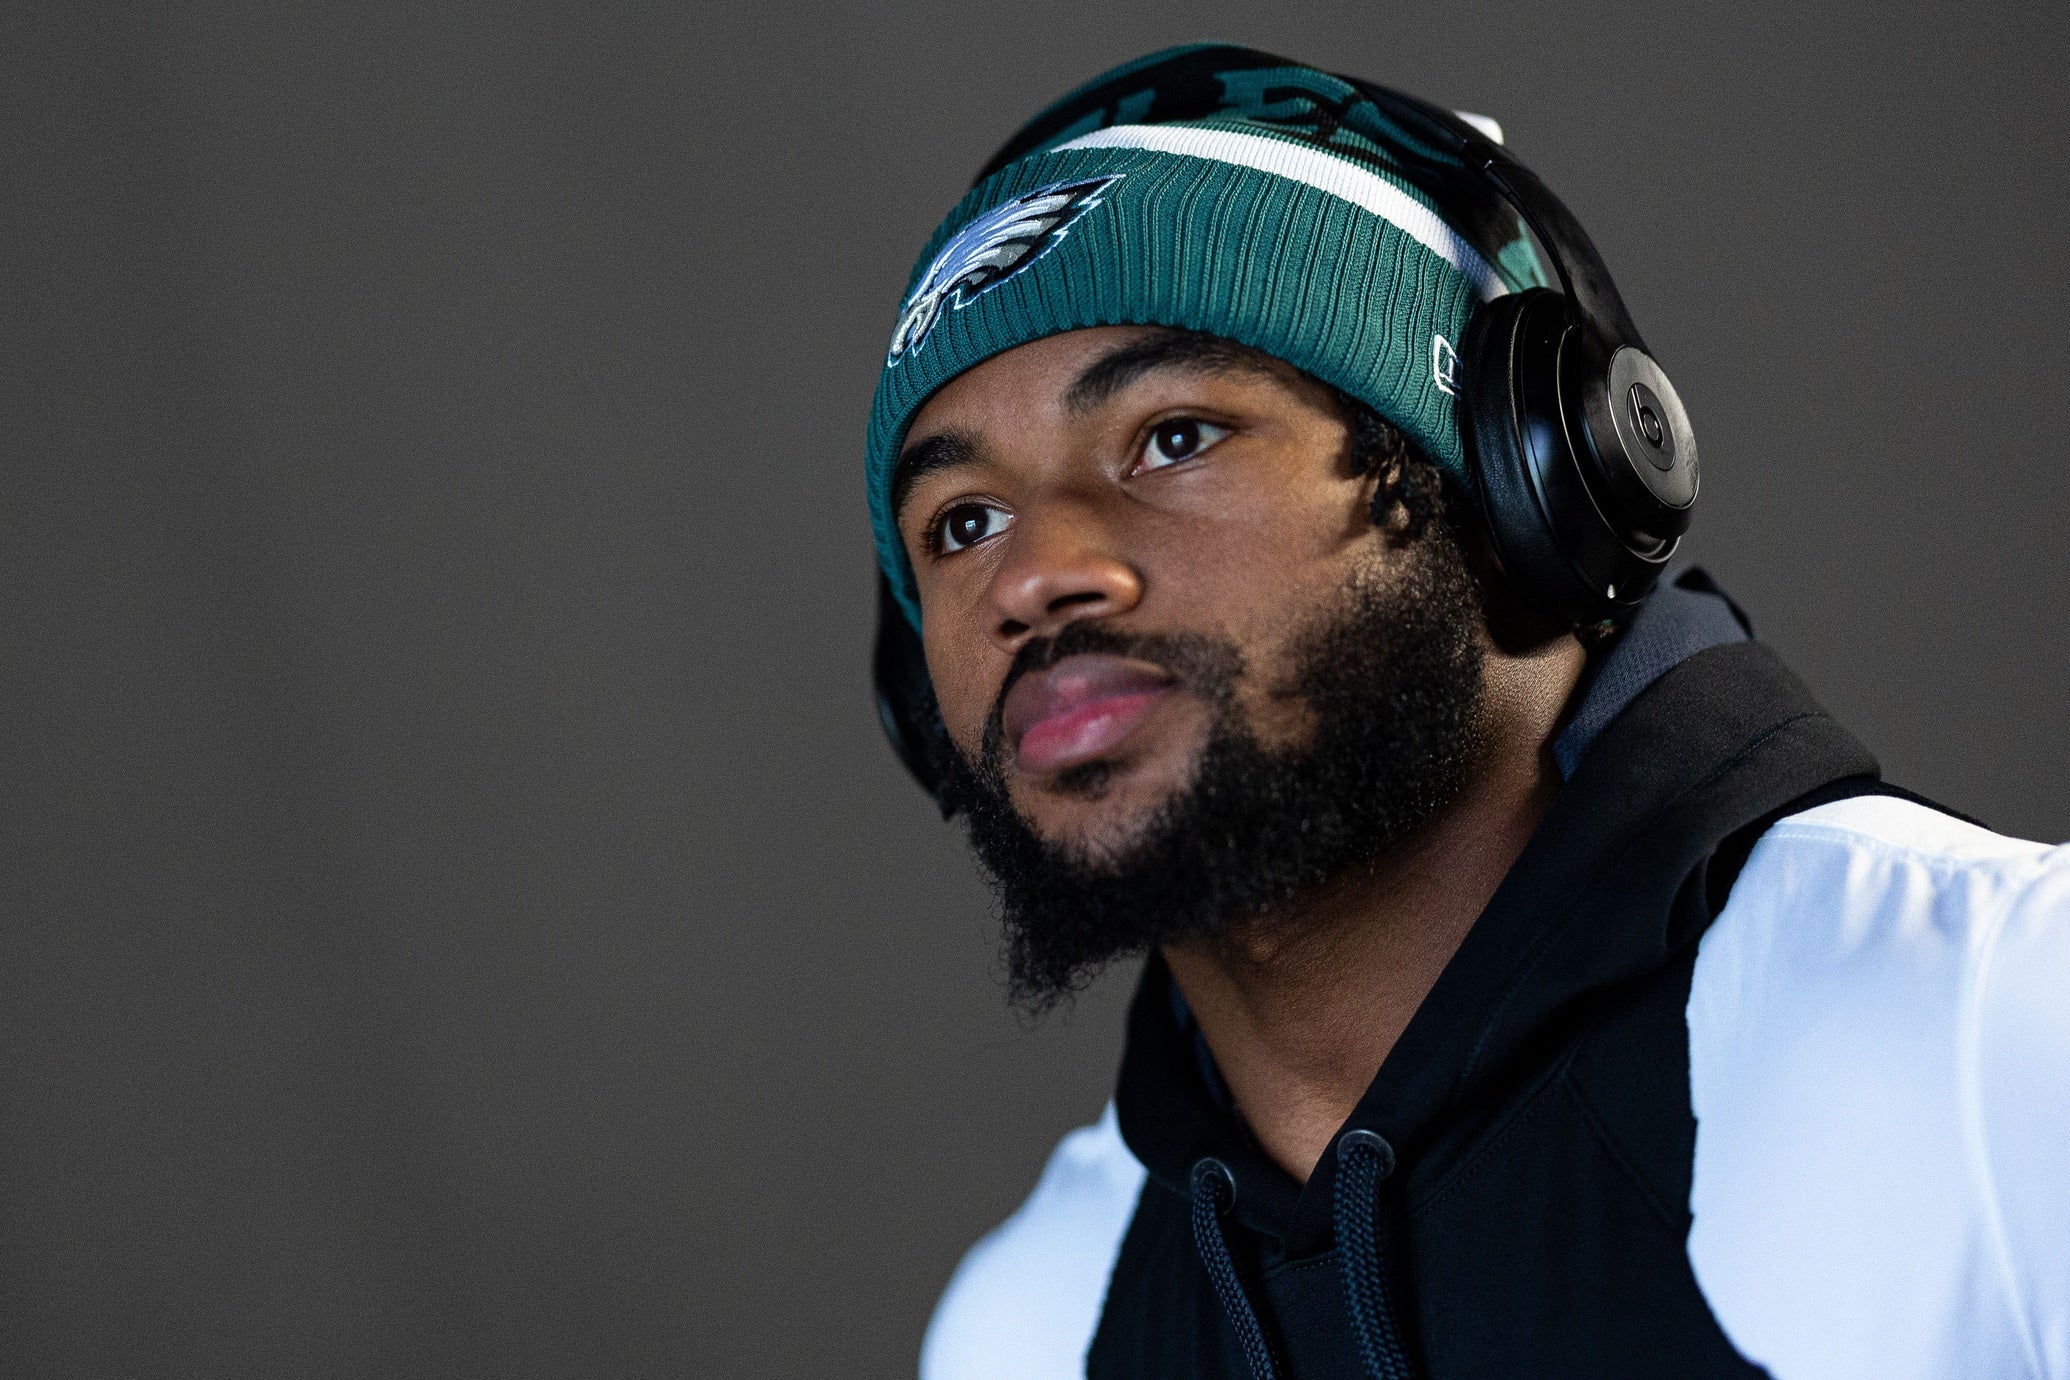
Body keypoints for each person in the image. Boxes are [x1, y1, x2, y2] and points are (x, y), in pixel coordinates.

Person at [860, 44, 2070, 1380]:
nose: (1032, 574)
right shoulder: (1034, 1322)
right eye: (959, 521)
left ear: (1512, 490)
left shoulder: (1996, 1028)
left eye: (1174, 437)